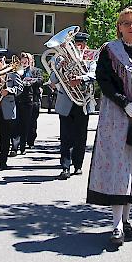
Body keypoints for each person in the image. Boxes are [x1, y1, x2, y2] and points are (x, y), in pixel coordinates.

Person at [86, 7, 132, 246]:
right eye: (126, 22)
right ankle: (116, 223)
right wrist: (125, 103)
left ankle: (127, 219)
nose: (131, 26)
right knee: (118, 167)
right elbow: (104, 81)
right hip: (116, 117)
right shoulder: (109, 51)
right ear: (119, 26)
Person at [49, 32, 96, 180]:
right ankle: (65, 167)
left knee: (80, 137)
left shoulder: (89, 58)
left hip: (83, 101)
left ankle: (78, 165)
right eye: (76, 44)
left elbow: (95, 74)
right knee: (65, 137)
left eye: (81, 44)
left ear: (85, 45)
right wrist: (60, 67)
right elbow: (53, 79)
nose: (79, 47)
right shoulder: (61, 58)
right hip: (66, 101)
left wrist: (81, 79)